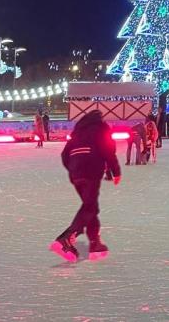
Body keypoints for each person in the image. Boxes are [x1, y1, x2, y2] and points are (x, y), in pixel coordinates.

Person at [52, 110, 121, 262]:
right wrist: (115, 171)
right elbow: (108, 149)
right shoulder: (101, 128)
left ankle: (95, 244)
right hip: (91, 169)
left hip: (76, 174)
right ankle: (66, 237)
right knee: (90, 207)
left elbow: (64, 154)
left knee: (90, 206)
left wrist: (73, 169)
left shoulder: (78, 132)